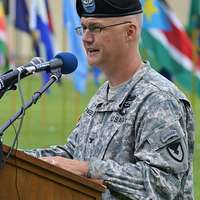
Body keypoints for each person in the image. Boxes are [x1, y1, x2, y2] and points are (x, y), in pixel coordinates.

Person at [26, 0, 195, 199]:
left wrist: (88, 169)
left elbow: (162, 184)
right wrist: (13, 156)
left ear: (130, 32)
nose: (86, 38)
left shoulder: (158, 99)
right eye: (84, 28)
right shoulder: (102, 95)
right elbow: (72, 154)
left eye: (96, 28)